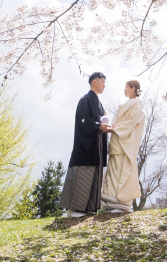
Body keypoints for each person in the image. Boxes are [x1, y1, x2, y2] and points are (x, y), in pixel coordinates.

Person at [58, 71, 111, 217]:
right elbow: (84, 120)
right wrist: (98, 126)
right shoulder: (86, 99)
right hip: (85, 146)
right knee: (82, 176)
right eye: (102, 82)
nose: (104, 85)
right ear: (94, 82)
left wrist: (105, 127)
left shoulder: (99, 104)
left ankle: (88, 208)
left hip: (96, 146)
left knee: (93, 177)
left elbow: (100, 123)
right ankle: (74, 210)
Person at [102, 80, 147, 213]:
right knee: (113, 171)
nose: (124, 90)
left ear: (133, 89)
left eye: (126, 87)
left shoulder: (136, 105)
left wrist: (116, 129)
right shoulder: (130, 104)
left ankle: (121, 204)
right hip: (118, 140)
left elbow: (131, 122)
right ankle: (112, 203)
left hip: (123, 141)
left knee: (120, 171)